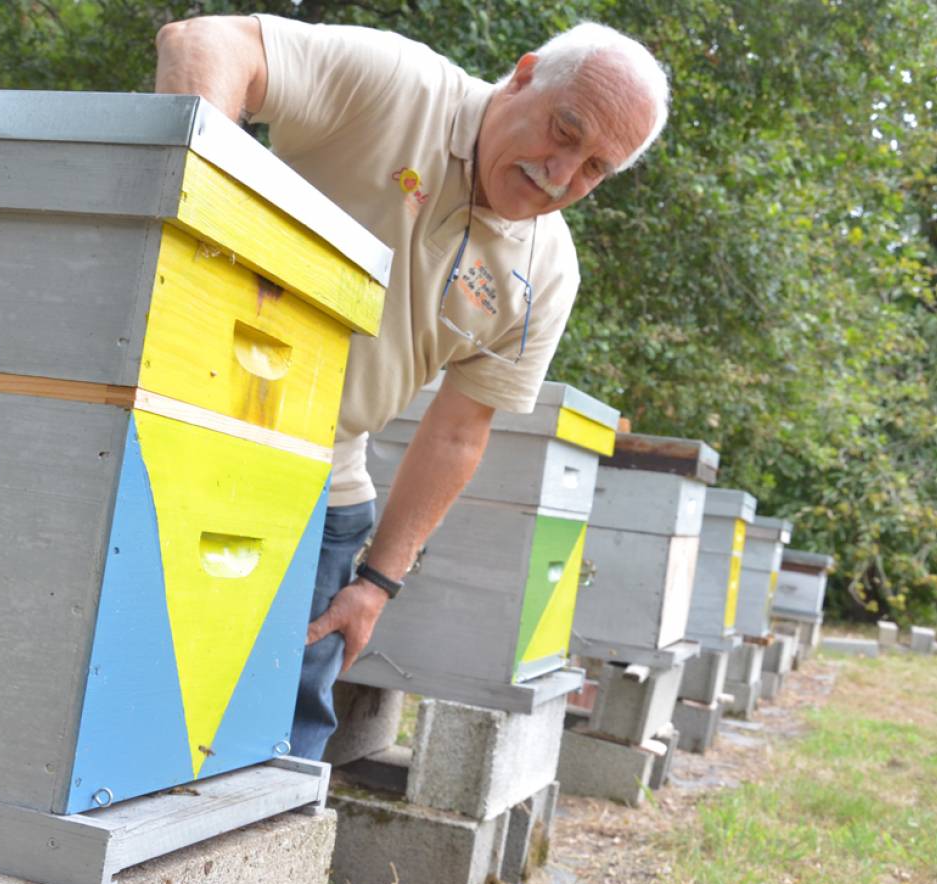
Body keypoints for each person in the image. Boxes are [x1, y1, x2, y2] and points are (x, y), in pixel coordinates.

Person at [154, 13, 668, 759]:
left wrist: (376, 583)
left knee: (277, 758)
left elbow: (460, 430)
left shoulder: (549, 272)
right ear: (524, 75)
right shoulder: (400, 86)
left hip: (326, 493)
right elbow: (203, 43)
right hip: (174, 431)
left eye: (595, 169)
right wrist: (209, 203)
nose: (562, 174)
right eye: (564, 129)